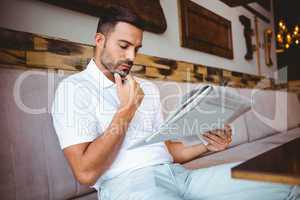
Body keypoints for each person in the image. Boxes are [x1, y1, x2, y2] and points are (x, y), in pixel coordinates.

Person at [51, 5, 299, 200]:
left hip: (180, 177)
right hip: (127, 185)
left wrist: (207, 146)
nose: (131, 57)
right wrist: (126, 111)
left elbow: (167, 150)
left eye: (136, 48)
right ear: (99, 40)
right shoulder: (74, 89)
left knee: (286, 183)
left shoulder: (145, 88)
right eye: (124, 46)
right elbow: (85, 172)